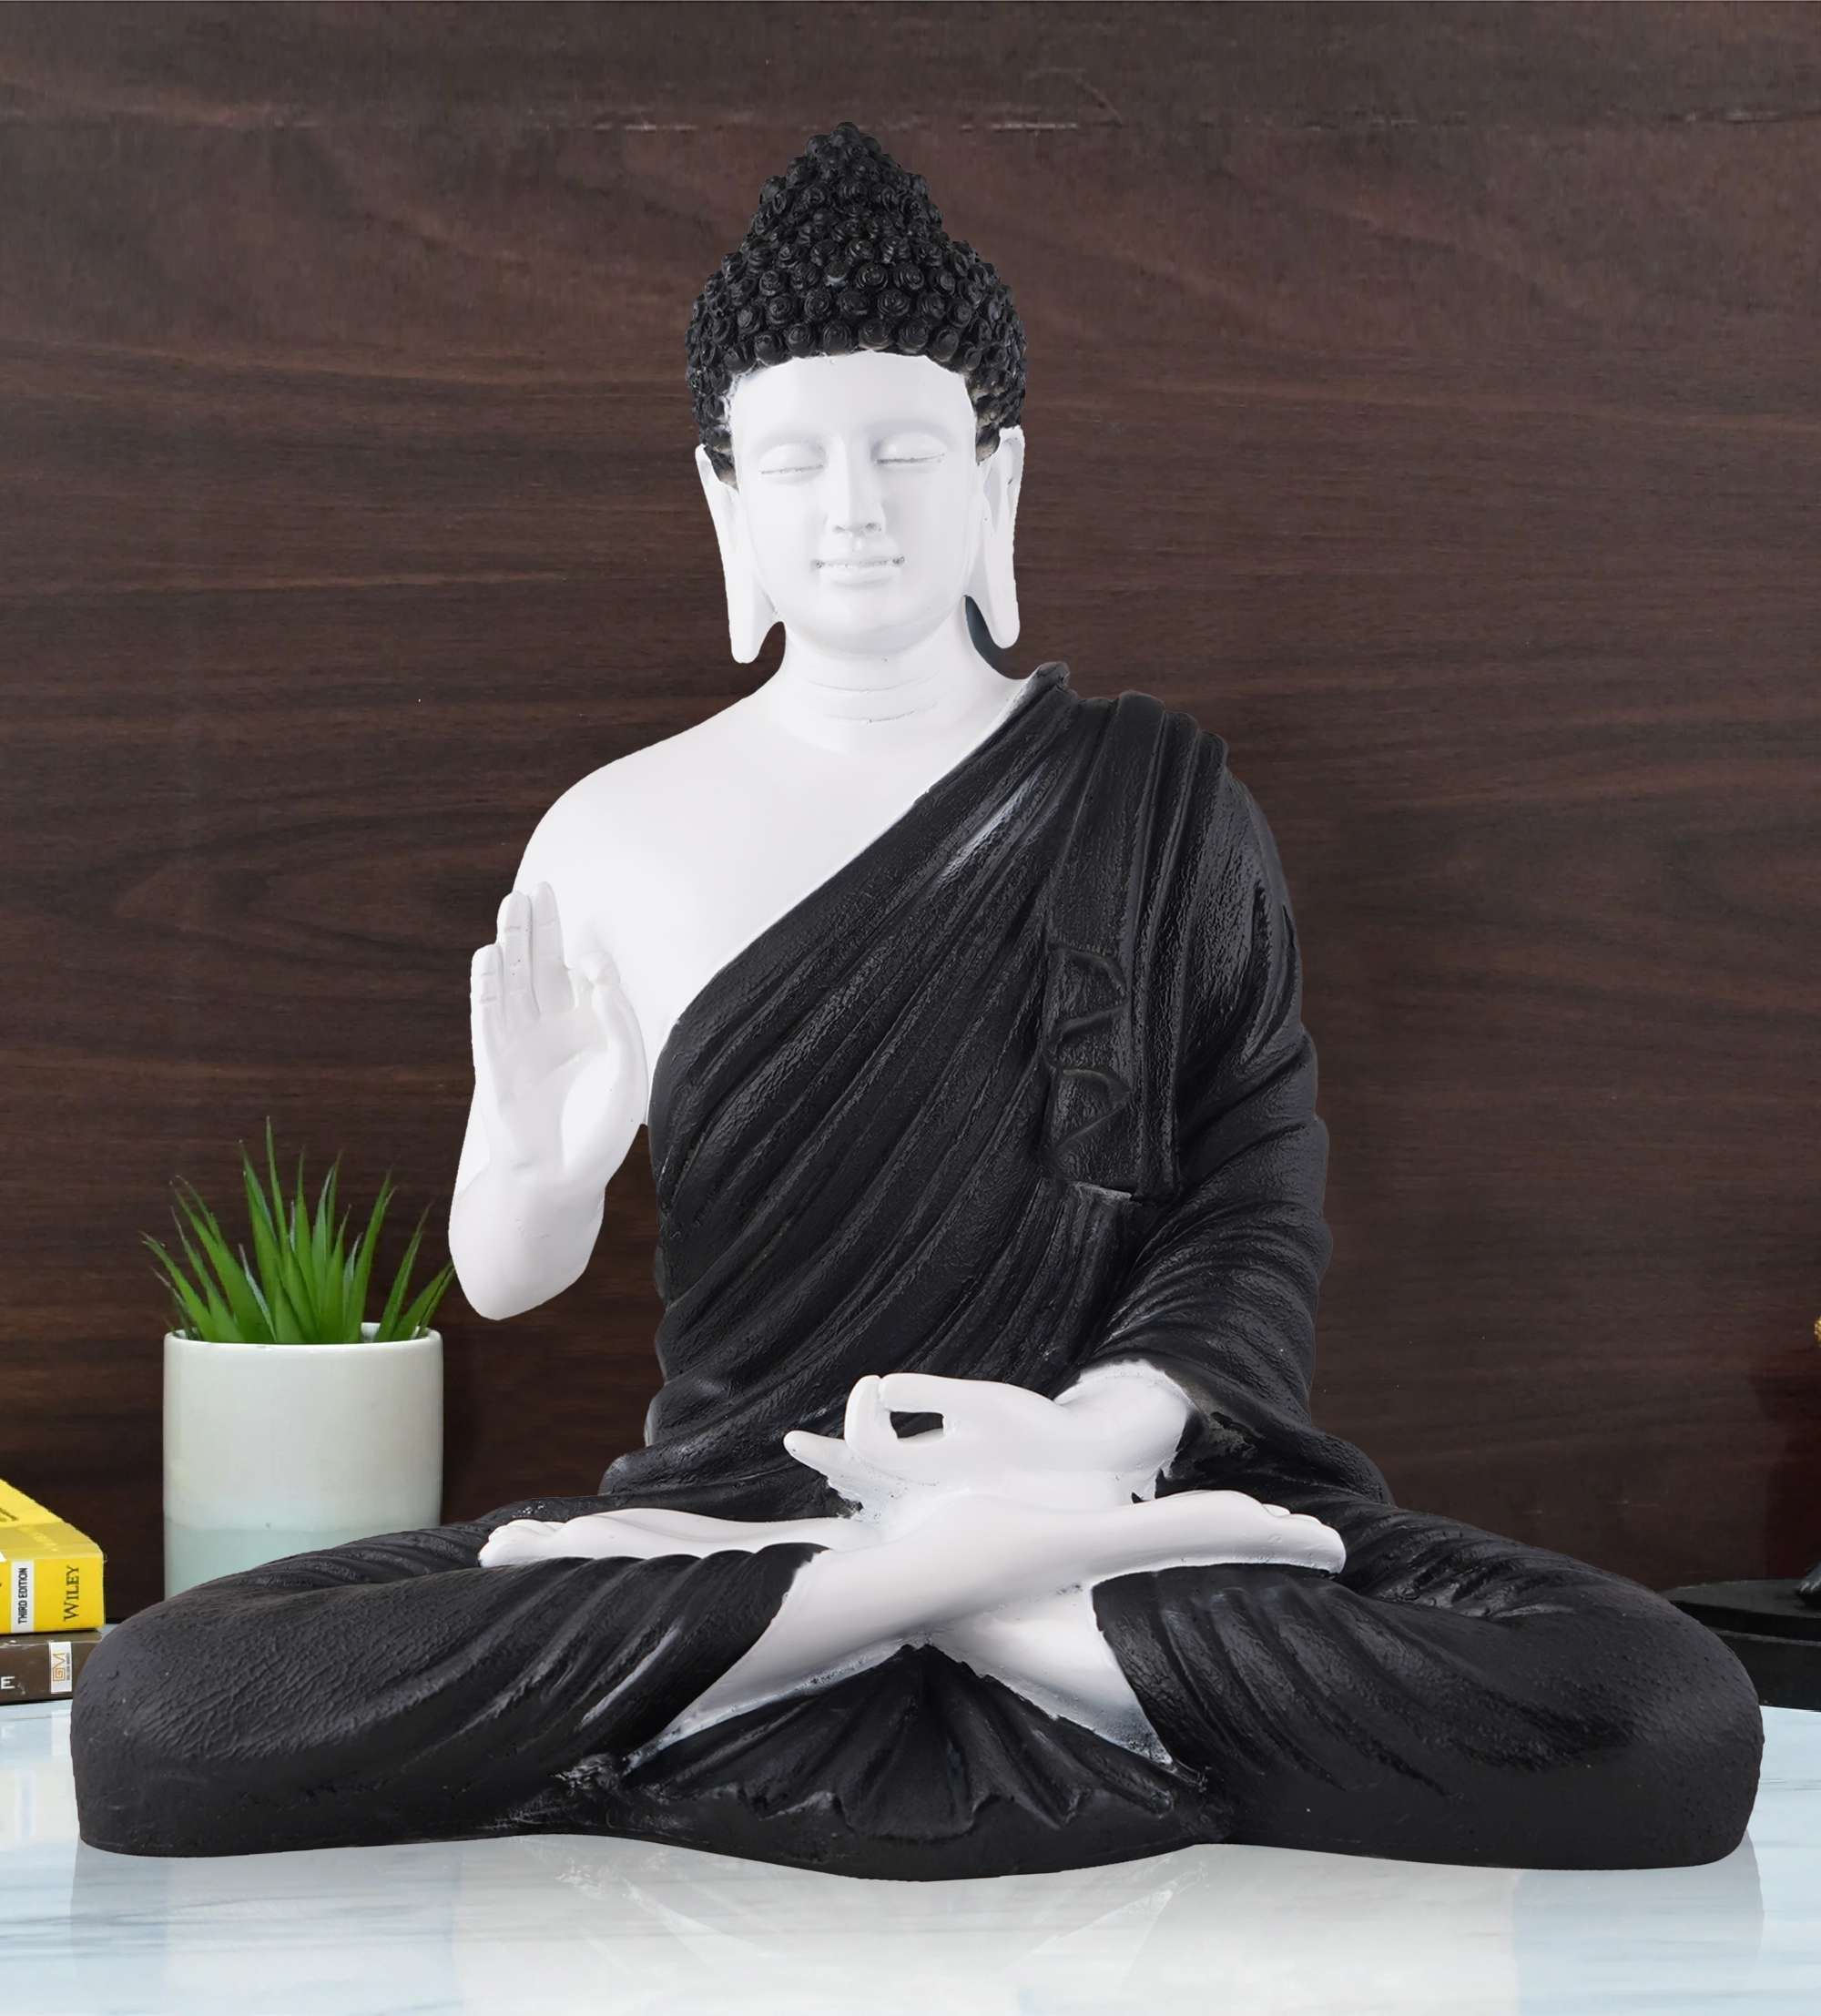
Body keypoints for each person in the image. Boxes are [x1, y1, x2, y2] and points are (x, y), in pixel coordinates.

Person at [71, 123, 1763, 1879]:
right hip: (744, 1511)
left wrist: (1089, 1444)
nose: (855, 509)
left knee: (1654, 1702)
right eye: (797, 460)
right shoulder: (617, 827)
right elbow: (503, 1274)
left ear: (995, 475)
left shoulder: (1158, 804)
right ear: (725, 497)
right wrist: (537, 1170)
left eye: (903, 449)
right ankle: (936, 1592)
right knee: (159, 1704)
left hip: (1100, 1512)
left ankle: (914, 1597)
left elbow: (1252, 1208)